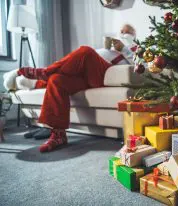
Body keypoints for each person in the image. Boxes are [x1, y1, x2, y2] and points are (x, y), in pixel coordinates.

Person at [3, 24, 137, 152]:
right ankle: (58, 134)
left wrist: (124, 48)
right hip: (86, 75)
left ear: (133, 35)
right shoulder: (108, 48)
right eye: (121, 31)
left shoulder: (134, 48)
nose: (123, 33)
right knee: (57, 80)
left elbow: (138, 67)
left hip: (106, 74)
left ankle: (43, 74)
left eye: (127, 32)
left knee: (86, 50)